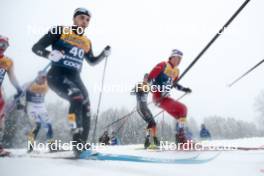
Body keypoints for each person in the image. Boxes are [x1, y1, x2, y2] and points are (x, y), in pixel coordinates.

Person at [32, 8, 111, 156]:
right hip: (57, 75)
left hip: (75, 77)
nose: (84, 21)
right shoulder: (60, 30)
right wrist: (49, 54)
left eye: (87, 19)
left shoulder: (87, 41)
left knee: (86, 105)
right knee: (76, 97)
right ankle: (75, 135)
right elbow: (36, 48)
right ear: (74, 19)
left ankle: (80, 146)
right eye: (81, 18)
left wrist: (103, 55)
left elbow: (92, 61)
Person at [147, 49, 192, 145]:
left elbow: (175, 84)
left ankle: (179, 138)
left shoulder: (176, 71)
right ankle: (181, 138)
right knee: (183, 108)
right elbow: (150, 78)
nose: (179, 61)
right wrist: (158, 90)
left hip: (166, 98)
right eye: (177, 58)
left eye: (180, 59)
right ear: (171, 57)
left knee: (181, 115)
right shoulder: (163, 65)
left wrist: (184, 89)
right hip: (158, 97)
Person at [0, 35, 22, 157]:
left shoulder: (7, 61)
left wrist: (18, 89)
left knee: (1, 120)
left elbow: (12, 77)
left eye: (5, 45)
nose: (2, 48)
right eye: (0, 44)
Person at [25, 71, 54, 152]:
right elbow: (20, 92)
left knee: (49, 126)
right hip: (32, 106)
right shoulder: (30, 84)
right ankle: (30, 147)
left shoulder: (47, 84)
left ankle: (52, 147)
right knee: (36, 126)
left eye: (46, 78)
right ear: (38, 77)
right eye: (43, 77)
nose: (44, 80)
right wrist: (18, 102)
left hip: (41, 106)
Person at [131, 73, 159, 149]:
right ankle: (147, 141)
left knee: (153, 123)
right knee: (151, 122)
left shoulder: (148, 86)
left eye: (148, 79)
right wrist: (138, 92)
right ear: (143, 78)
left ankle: (154, 138)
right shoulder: (139, 85)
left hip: (145, 107)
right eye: (146, 78)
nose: (147, 80)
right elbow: (132, 92)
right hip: (140, 107)